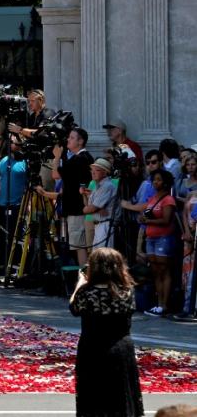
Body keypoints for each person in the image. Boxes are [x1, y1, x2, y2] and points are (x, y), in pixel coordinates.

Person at [69, 247, 144, 417]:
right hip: (121, 345)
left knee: (93, 394)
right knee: (121, 392)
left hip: (92, 346)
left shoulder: (86, 292)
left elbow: (74, 308)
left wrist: (79, 285)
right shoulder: (127, 291)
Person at [139, 169, 178, 317]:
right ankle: (158, 303)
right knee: (155, 271)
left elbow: (166, 220)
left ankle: (164, 304)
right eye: (154, 179)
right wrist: (143, 219)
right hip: (150, 238)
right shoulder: (152, 199)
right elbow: (146, 214)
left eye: (159, 180)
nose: (156, 182)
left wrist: (148, 220)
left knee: (164, 270)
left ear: (165, 182)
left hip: (163, 238)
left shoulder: (168, 199)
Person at [53, 128, 94, 266]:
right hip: (83, 208)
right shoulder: (87, 157)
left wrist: (57, 156)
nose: (68, 140)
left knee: (79, 246)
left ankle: (84, 278)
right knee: (83, 245)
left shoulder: (78, 159)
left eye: (71, 137)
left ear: (80, 141)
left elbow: (55, 175)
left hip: (77, 209)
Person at [0, 134, 27, 269]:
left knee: (14, 236)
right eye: (10, 142)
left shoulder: (24, 161)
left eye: (15, 142)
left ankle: (15, 264)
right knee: (1, 236)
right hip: (1, 203)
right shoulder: (4, 160)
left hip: (17, 204)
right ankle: (2, 263)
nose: (12, 145)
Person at [82, 158, 121, 251]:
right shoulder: (98, 186)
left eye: (97, 170)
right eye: (92, 170)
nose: (93, 172)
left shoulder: (106, 186)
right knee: (98, 256)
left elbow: (90, 209)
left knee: (104, 256)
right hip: (99, 224)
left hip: (105, 225)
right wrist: (85, 197)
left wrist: (86, 209)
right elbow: (89, 206)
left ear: (105, 172)